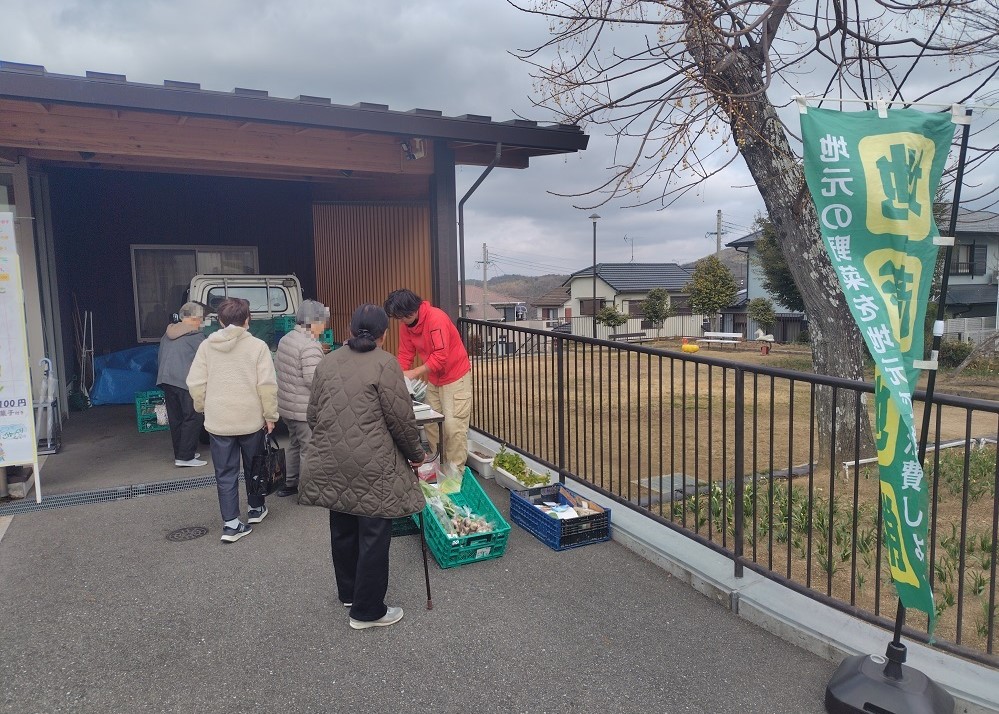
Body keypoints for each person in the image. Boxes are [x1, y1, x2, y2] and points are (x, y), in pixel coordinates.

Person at [299, 304, 425, 629]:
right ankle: (367, 611)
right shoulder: (386, 363)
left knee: (342, 525)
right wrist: (416, 453)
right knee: (373, 532)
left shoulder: (328, 362)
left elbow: (313, 414)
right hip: (371, 463)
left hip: (332, 458)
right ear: (384, 333)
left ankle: (350, 593)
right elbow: (401, 420)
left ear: (352, 330)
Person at [187, 297, 279, 544]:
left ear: (219, 321)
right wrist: (270, 416)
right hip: (250, 419)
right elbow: (267, 385)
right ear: (247, 320)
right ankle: (256, 508)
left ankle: (231, 524)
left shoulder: (207, 346)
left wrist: (204, 407)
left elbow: (195, 383)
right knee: (255, 465)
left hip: (219, 422)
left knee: (225, 472)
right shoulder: (258, 347)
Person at [384, 288, 472, 472]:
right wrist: (399, 376)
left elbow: (441, 356)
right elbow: (405, 353)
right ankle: (439, 466)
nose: (400, 321)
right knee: (431, 423)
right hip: (435, 378)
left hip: (455, 376)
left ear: (412, 310)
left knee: (453, 427)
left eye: (402, 317)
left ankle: (456, 473)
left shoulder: (435, 319)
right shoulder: (407, 326)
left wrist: (414, 372)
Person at [274, 299, 328, 498]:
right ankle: (308, 490)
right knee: (309, 448)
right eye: (322, 321)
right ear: (313, 321)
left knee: (295, 444)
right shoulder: (309, 346)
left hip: (287, 406)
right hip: (304, 408)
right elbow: (313, 380)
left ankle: (289, 482)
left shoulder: (286, 339)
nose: (324, 326)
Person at [156, 302, 207, 467]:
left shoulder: (168, 332)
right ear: (193, 318)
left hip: (166, 379)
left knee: (176, 418)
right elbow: (207, 359)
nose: (201, 321)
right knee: (193, 416)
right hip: (184, 381)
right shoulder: (195, 336)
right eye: (200, 318)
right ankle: (185, 457)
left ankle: (181, 452)